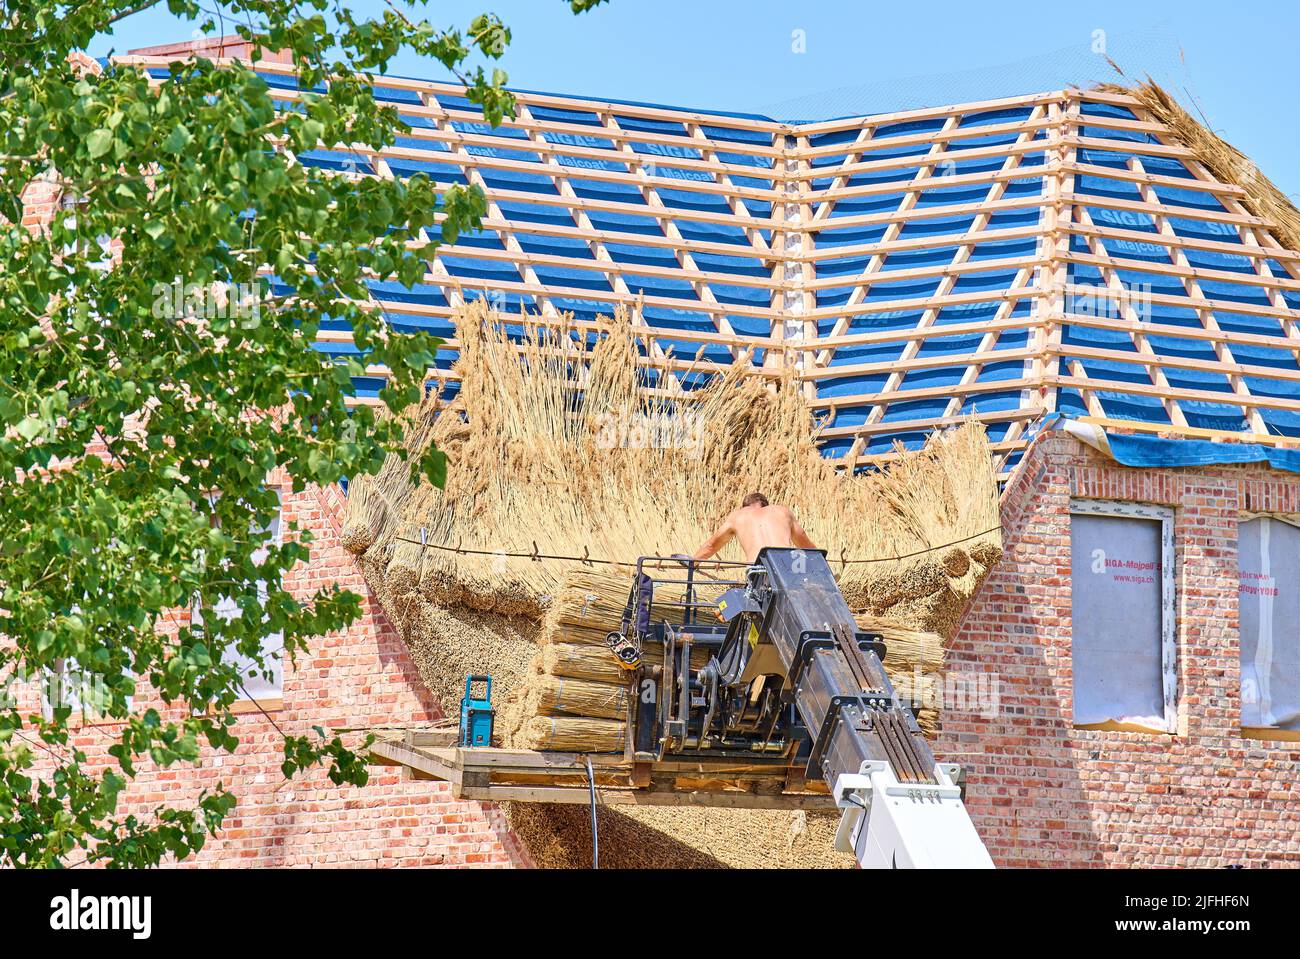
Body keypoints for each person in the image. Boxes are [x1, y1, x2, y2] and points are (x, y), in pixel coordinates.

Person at [691, 492, 817, 564]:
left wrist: (693, 563)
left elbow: (711, 546)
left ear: (745, 507)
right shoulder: (782, 511)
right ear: (765, 505)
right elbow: (807, 546)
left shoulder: (738, 516)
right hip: (785, 568)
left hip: (758, 571)